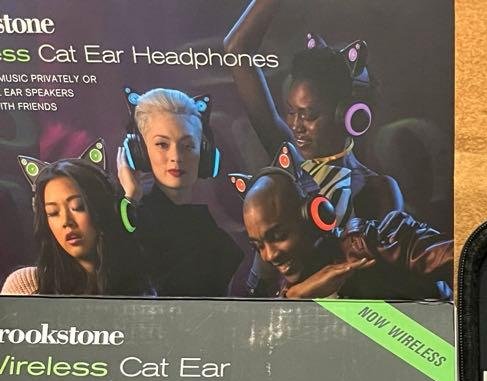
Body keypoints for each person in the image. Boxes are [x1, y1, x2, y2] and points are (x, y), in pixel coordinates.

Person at [224, 0, 402, 222]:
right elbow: (237, 50)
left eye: (308, 115)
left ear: (347, 116)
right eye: (290, 112)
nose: (295, 126)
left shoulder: (378, 189)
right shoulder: (288, 156)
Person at [240, 167, 452, 300]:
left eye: (278, 236)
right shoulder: (288, 290)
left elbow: (461, 258)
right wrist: (295, 297)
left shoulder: (375, 243)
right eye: (258, 246)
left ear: (316, 216)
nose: (269, 255)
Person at [117, 88, 244, 296]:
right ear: (139, 152)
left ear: (204, 153)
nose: (176, 156)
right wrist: (131, 196)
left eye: (187, 146)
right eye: (162, 144)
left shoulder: (214, 238)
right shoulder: (130, 221)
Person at [2, 156, 150, 296]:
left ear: (101, 209)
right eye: (53, 213)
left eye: (77, 207)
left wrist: (132, 199)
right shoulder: (27, 286)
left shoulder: (140, 285)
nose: (66, 221)